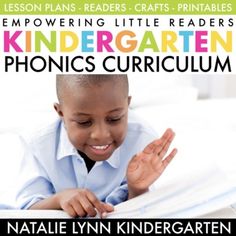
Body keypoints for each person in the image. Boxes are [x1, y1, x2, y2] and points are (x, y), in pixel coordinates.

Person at [7, 74, 177, 218]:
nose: (100, 135)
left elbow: (142, 210)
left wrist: (137, 189)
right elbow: (27, 210)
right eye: (84, 122)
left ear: (128, 104)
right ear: (61, 113)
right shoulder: (38, 145)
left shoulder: (143, 141)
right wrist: (59, 199)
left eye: (115, 118)